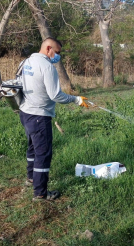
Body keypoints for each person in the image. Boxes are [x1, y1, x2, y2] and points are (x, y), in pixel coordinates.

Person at [18, 37, 89, 201]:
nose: (58, 56)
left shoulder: (27, 62)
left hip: (25, 112)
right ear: (48, 48)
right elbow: (56, 95)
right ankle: (41, 193)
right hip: (39, 116)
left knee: (32, 148)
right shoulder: (47, 67)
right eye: (57, 52)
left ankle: (31, 177)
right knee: (43, 154)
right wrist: (76, 99)